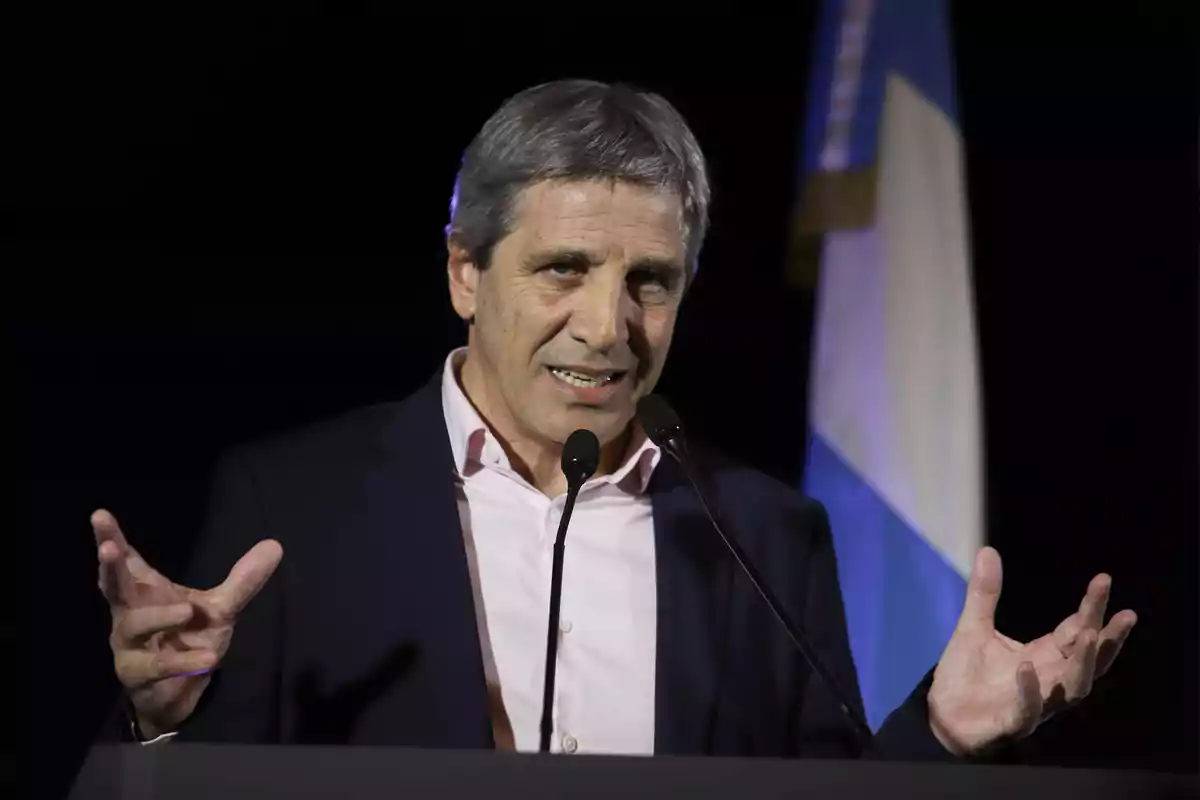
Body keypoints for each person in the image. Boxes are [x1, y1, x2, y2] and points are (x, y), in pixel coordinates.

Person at [92, 79, 1136, 759]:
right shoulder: (293, 503)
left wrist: (942, 732)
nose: (609, 326)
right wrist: (158, 721)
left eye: (649, 280)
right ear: (465, 270)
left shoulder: (765, 535)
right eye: (564, 269)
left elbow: (832, 799)